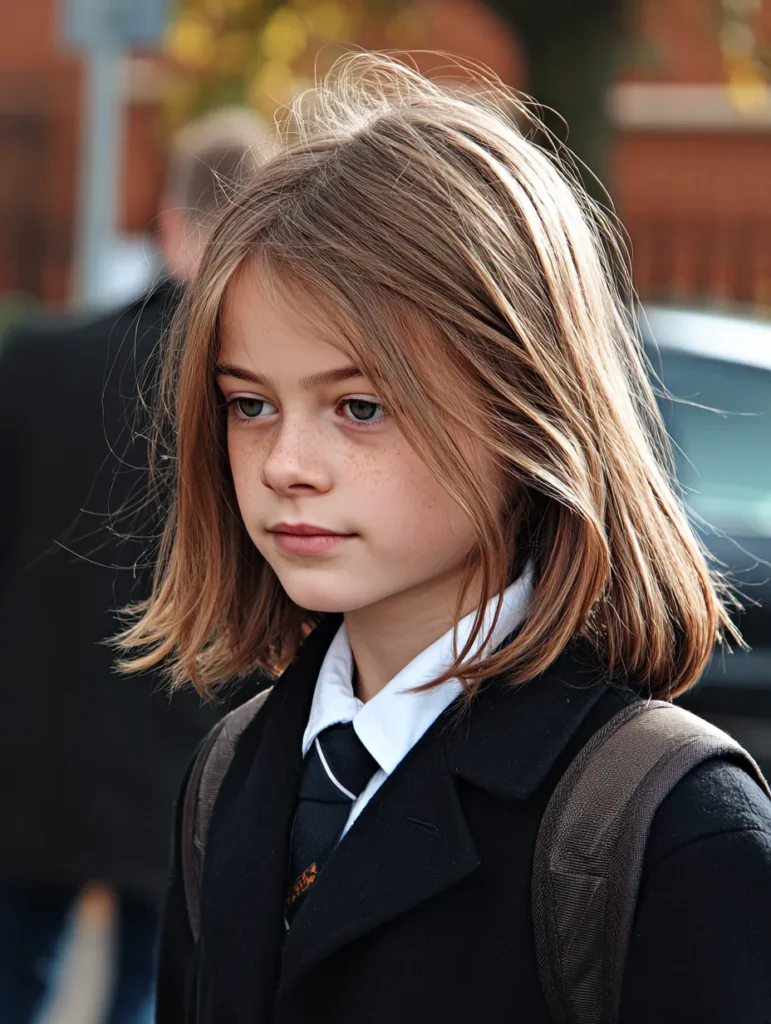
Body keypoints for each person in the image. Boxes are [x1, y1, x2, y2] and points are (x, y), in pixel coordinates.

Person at [120, 54, 771, 1024]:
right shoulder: (231, 772)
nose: (287, 463)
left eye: (361, 406)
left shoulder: (668, 825)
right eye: (250, 403)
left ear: (526, 407)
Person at [0, 108, 271, 1023]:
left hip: (32, 760)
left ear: (166, 225)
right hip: (187, 766)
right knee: (151, 998)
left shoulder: (38, 362)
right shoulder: (255, 401)